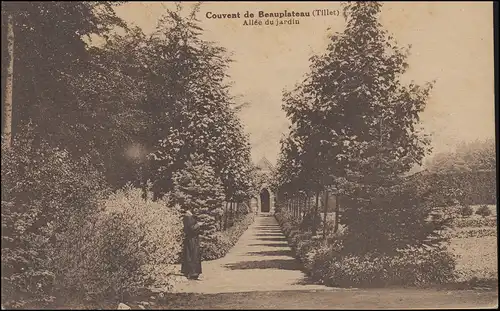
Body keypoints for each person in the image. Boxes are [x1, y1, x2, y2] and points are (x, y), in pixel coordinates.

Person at [181, 209, 202, 280]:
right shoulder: (188, 218)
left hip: (190, 239)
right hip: (192, 239)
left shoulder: (187, 218)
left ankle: (189, 272)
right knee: (193, 255)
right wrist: (198, 225)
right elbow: (191, 229)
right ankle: (193, 273)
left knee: (189, 255)